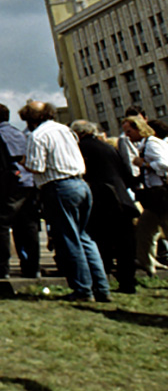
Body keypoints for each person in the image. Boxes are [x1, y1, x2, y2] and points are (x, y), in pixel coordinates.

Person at [20, 101, 109, 301]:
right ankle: (101, 287)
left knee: (69, 238)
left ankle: (83, 289)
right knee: (84, 237)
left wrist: (23, 162)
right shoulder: (66, 130)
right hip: (80, 184)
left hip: (58, 186)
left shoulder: (37, 136)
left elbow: (37, 166)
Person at [0, 103, 39, 279]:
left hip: (6, 185)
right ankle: (32, 266)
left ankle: (1, 266)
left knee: (1, 226)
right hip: (27, 182)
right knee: (28, 226)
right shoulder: (19, 133)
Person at [73, 119, 138, 293]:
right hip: (121, 197)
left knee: (102, 241)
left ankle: (101, 280)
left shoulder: (82, 148)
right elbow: (125, 172)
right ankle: (128, 282)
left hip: (102, 198)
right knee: (125, 243)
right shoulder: (109, 147)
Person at [124, 115, 168, 278]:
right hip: (155, 197)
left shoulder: (151, 144)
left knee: (159, 228)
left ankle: (147, 263)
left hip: (161, 194)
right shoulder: (146, 144)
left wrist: (144, 164)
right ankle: (146, 263)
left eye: (129, 131)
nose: (128, 136)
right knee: (144, 229)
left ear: (138, 128)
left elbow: (165, 164)